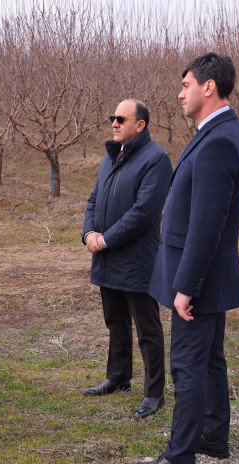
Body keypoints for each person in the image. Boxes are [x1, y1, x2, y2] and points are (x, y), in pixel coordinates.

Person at [131, 53, 239, 464]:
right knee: (211, 359)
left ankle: (179, 459)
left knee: (187, 364)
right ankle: (213, 436)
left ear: (208, 88)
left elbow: (206, 226)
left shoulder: (219, 140)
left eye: (185, 85)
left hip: (197, 277)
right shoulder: (220, 132)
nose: (180, 94)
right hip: (207, 275)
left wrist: (186, 286)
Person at [82, 99, 172, 419]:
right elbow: (94, 199)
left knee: (147, 328)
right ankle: (118, 377)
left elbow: (144, 212)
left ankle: (153, 393)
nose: (114, 123)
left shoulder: (156, 160)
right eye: (112, 118)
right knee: (115, 321)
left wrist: (106, 239)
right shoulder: (112, 156)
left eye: (121, 118)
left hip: (136, 259)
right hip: (107, 256)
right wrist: (89, 233)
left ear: (140, 125)